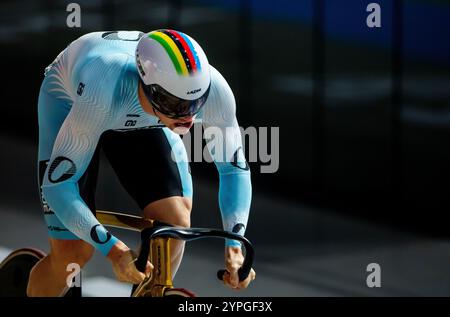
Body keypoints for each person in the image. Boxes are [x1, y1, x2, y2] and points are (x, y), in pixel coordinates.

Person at [27, 30, 255, 296]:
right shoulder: (105, 88)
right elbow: (58, 187)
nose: (189, 117)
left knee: (175, 222)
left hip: (141, 115)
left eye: (197, 103)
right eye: (177, 104)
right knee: (73, 255)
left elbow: (233, 169)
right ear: (149, 87)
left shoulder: (213, 89)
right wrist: (115, 251)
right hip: (72, 104)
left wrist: (234, 246)